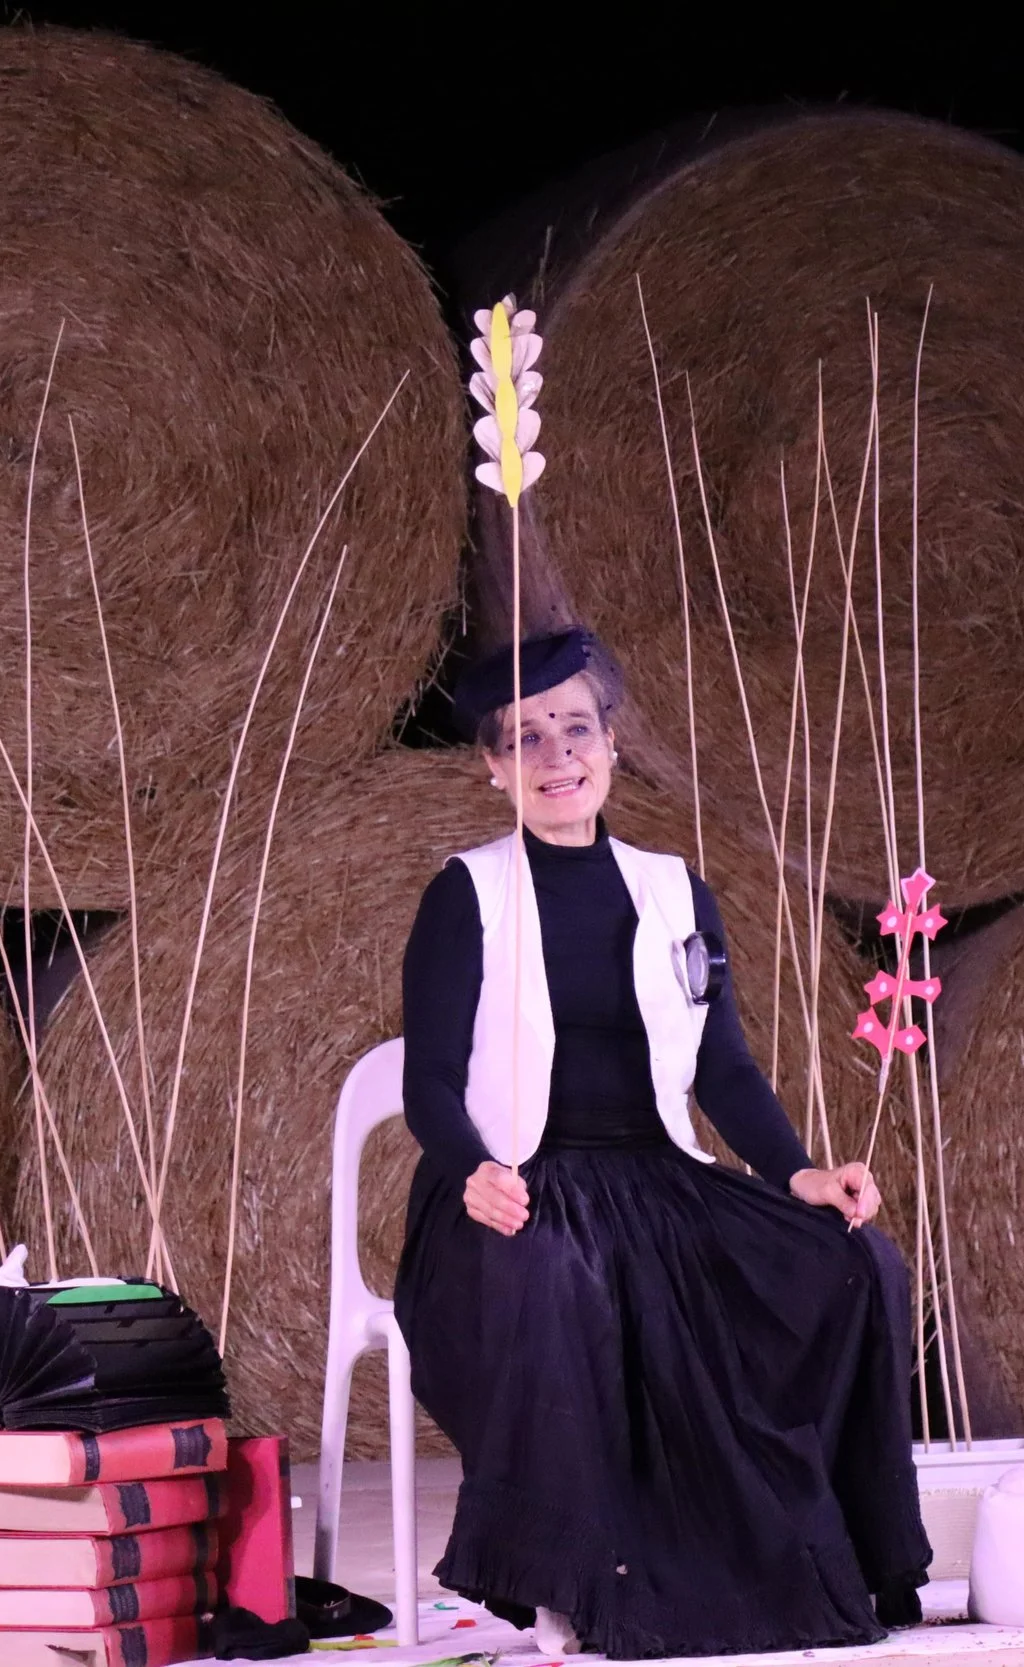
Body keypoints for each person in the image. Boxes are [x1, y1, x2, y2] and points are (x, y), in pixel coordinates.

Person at [393, 627, 930, 1661]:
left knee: (854, 1262)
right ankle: (566, 1575)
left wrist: (801, 1172)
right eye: (525, 737)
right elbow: (430, 1083)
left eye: (575, 728)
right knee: (558, 1279)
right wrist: (473, 1172)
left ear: (611, 744)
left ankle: (847, 1549)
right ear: (493, 766)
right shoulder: (466, 892)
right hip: (515, 1184)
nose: (556, 755)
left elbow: (723, 1069)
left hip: (659, 1176)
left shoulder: (673, 889)